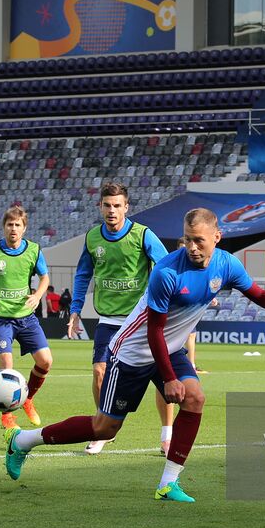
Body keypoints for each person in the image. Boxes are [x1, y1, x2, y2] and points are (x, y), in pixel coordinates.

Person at [3, 207, 265, 502]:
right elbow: (153, 332)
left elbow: (256, 293)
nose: (191, 246)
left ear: (217, 237)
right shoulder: (167, 272)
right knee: (104, 428)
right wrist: (169, 379)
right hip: (132, 354)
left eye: (199, 240)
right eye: (187, 239)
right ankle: (22, 441)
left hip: (169, 348)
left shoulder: (227, 264)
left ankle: (168, 483)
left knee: (195, 399)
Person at [69, 181, 172, 455]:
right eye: (107, 205)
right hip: (109, 320)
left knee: (164, 380)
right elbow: (82, 275)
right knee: (99, 371)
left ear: (126, 207)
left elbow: (165, 266)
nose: (112, 210)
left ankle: (167, 435)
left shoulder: (143, 235)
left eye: (117, 205)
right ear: (99, 207)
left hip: (141, 320)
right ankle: (103, 429)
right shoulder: (92, 238)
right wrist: (75, 309)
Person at [0, 205, 49, 429]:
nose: (13, 229)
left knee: (46, 361)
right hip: (0, 317)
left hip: (25, 316)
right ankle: (7, 415)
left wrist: (38, 295)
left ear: (24, 228)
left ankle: (28, 398)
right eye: (9, 225)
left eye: (17, 225)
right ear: (3, 227)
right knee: (6, 365)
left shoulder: (33, 250)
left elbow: (44, 277)